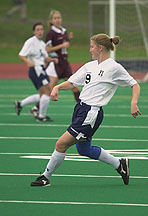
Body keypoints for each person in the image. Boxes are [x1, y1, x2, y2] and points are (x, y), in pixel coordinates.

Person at [30, 33, 141, 187]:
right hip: (80, 109)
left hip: (91, 113)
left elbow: (134, 84)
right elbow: (72, 81)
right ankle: (119, 163)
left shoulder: (114, 67)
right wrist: (57, 87)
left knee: (61, 144)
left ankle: (45, 176)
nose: (90, 50)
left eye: (92, 46)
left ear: (100, 48)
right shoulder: (90, 66)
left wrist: (133, 102)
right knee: (84, 149)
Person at [30, 10, 81, 117]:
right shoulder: (50, 33)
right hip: (55, 64)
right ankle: (35, 108)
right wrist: (62, 46)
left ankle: (83, 109)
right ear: (51, 21)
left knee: (74, 86)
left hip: (64, 63)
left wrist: (68, 39)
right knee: (49, 90)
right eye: (55, 18)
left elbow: (63, 43)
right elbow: (47, 49)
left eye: (59, 17)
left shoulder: (63, 31)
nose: (57, 20)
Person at [14, 22, 58, 122]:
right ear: (34, 32)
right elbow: (21, 55)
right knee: (47, 92)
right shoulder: (30, 42)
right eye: (38, 30)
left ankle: (20, 104)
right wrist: (28, 61)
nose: (40, 31)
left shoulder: (42, 44)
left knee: (44, 93)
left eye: (41, 29)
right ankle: (41, 116)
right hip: (35, 70)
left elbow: (45, 58)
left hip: (41, 70)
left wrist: (52, 59)